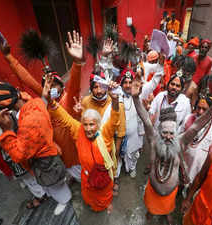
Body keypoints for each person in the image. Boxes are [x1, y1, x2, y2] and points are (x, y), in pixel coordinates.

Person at [130, 76, 212, 225]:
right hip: (153, 192)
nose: (168, 137)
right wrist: (136, 98)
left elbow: (196, 126)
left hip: (170, 194)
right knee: (149, 211)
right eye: (165, 133)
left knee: (168, 211)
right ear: (160, 131)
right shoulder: (154, 141)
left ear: (176, 133)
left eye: (171, 133)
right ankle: (150, 212)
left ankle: (166, 212)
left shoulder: (180, 141)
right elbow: (146, 121)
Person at [0, 30, 84, 182]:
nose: (51, 87)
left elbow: (75, 84)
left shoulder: (68, 101)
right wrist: (8, 57)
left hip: (75, 154)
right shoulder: (44, 102)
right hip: (56, 153)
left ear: (62, 87)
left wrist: (77, 63)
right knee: (69, 170)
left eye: (55, 85)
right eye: (47, 84)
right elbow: (26, 78)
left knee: (81, 175)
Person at [0, 82, 71, 216]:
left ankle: (65, 200)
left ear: (2, 109)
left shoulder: (27, 124)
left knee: (56, 187)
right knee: (56, 182)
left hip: (45, 165)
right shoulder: (36, 102)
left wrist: (7, 131)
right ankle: (63, 192)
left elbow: (19, 155)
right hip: (51, 155)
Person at [45, 74, 120, 213]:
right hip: (87, 180)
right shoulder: (78, 131)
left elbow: (114, 119)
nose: (88, 128)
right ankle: (94, 204)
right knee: (89, 198)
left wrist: (115, 100)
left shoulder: (105, 135)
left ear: (98, 125)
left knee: (104, 198)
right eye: (85, 124)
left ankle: (105, 204)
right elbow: (64, 117)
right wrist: (50, 100)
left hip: (103, 180)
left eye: (92, 124)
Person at [76, 71, 126, 195]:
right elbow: (84, 122)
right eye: (95, 87)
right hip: (94, 141)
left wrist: (117, 148)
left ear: (106, 87)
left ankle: (115, 179)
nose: (98, 91)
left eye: (101, 87)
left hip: (112, 141)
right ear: (91, 88)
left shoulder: (115, 102)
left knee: (114, 162)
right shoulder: (86, 101)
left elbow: (120, 129)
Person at [179, 94, 212, 196]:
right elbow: (178, 136)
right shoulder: (189, 118)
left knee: (191, 192)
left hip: (199, 170)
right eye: (198, 108)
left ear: (211, 111)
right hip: (182, 163)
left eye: (204, 109)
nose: (200, 112)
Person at [118, 69, 144, 178]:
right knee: (119, 156)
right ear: (121, 84)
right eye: (125, 82)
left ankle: (132, 168)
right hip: (120, 136)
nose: (128, 85)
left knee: (134, 155)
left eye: (130, 82)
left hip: (134, 137)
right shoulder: (117, 97)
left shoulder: (137, 97)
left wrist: (141, 139)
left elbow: (140, 119)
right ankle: (118, 174)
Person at [186, 39, 212, 108]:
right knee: (187, 96)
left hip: (200, 85)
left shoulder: (210, 61)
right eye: (202, 47)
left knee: (193, 104)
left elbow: (207, 74)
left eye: (206, 47)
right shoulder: (194, 57)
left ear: (208, 49)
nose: (203, 49)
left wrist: (204, 87)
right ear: (200, 47)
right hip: (190, 82)